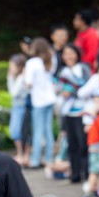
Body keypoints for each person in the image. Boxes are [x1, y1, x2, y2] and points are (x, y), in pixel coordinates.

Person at [56, 43, 91, 183]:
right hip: (68, 112)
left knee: (83, 143)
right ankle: (75, 174)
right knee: (71, 144)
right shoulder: (62, 72)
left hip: (82, 112)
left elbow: (88, 88)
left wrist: (72, 92)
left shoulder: (83, 68)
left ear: (77, 54)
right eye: (66, 54)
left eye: (71, 53)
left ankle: (87, 173)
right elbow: (58, 89)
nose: (68, 56)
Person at [24, 37, 56, 168]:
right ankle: (49, 157)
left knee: (37, 130)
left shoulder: (32, 63)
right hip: (50, 98)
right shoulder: (50, 60)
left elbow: (28, 83)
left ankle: (35, 159)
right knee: (48, 129)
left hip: (38, 101)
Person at [7, 53, 30, 166]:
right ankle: (21, 154)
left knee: (20, 131)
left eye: (12, 66)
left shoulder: (21, 78)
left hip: (21, 108)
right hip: (17, 107)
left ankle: (23, 155)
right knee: (16, 131)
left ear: (20, 66)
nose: (10, 68)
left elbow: (13, 93)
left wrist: (10, 77)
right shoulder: (19, 78)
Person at [73, 9, 99, 73]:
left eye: (76, 19)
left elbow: (92, 54)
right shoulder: (80, 34)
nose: (74, 21)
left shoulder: (91, 34)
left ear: (83, 21)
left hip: (88, 70)